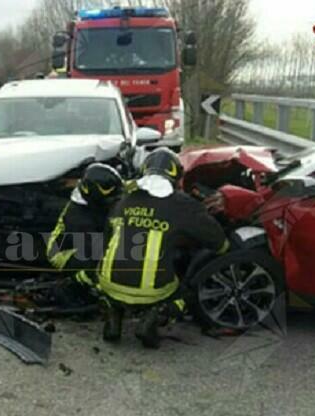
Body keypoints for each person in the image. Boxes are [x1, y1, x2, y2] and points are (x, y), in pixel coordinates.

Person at [97, 148, 230, 348]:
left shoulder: (124, 199)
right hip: (152, 290)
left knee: (120, 268)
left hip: (108, 282)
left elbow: (108, 237)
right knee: (187, 291)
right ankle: (155, 315)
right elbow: (217, 241)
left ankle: (113, 313)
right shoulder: (183, 205)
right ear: (176, 177)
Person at [46, 163, 125, 304]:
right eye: (110, 199)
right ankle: (82, 286)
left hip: (89, 240)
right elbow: (97, 250)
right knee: (101, 262)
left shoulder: (92, 202)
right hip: (63, 253)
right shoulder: (78, 218)